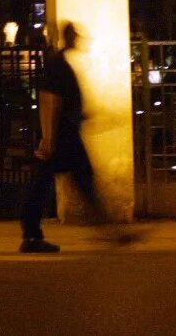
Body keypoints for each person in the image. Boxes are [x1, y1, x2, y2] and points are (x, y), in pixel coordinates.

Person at [20, 21, 110, 253]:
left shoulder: (60, 63)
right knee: (56, 182)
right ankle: (31, 237)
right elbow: (49, 99)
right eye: (76, 35)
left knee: (63, 181)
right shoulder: (57, 64)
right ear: (68, 37)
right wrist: (48, 138)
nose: (80, 40)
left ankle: (32, 236)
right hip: (62, 135)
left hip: (64, 132)